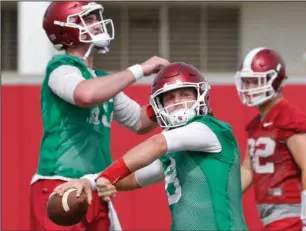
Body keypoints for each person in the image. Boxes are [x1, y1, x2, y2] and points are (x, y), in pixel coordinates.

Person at [54, 62, 249, 231]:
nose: (178, 102)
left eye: (184, 94)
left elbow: (157, 144)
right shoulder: (175, 152)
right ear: (158, 105)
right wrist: (90, 182)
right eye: (170, 98)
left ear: (201, 94)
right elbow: (132, 179)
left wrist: (108, 176)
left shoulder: (209, 129)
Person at [30, 1, 169, 230]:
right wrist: (139, 70)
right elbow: (86, 94)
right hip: (60, 184)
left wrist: (168, 98)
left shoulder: (100, 78)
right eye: (89, 19)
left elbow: (140, 121)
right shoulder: (60, 68)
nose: (97, 24)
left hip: (95, 185)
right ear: (67, 28)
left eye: (96, 18)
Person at [235, 47, 306, 231]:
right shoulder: (256, 124)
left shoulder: (288, 117)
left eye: (256, 82)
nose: (250, 89)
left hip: (293, 216)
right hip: (272, 216)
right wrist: (223, 194)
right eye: (247, 82)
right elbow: (248, 169)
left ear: (275, 81)